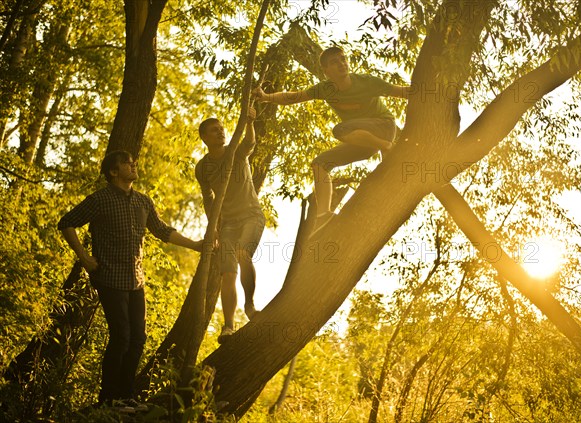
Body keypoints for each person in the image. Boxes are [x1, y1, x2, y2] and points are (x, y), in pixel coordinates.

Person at [58, 150, 203, 412]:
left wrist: (195, 245)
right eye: (126, 163)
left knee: (138, 338)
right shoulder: (99, 199)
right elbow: (66, 223)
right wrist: (84, 257)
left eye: (133, 162)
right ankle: (109, 399)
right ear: (113, 172)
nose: (133, 165)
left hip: (136, 279)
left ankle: (125, 396)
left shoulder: (143, 202)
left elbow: (161, 231)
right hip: (109, 277)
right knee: (121, 336)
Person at [253, 46, 410, 231]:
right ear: (326, 71)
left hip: (383, 127)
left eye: (343, 59)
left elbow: (403, 92)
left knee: (340, 130)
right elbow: (293, 97)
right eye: (335, 62)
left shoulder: (367, 82)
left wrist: (435, 89)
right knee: (319, 164)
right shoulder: (325, 89)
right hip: (362, 140)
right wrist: (265, 97)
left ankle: (386, 146)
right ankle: (323, 216)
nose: (341, 64)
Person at [195, 107, 265, 344]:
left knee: (243, 253)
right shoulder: (202, 168)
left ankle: (250, 305)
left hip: (251, 216)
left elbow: (250, 141)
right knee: (227, 273)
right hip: (227, 224)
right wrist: (212, 226)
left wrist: (249, 121)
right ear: (204, 137)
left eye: (222, 129)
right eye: (214, 131)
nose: (221, 133)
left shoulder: (236, 150)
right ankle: (228, 327)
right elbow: (208, 198)